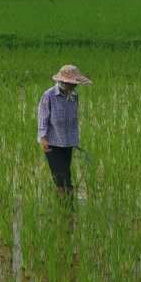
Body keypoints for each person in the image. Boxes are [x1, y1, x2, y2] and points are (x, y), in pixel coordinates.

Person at [38, 65, 91, 194]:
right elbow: (42, 117)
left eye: (75, 84)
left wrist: (74, 140)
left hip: (67, 142)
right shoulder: (49, 95)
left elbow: (73, 119)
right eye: (72, 84)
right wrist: (43, 138)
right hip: (52, 143)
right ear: (64, 82)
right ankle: (67, 207)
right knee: (61, 177)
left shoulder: (74, 95)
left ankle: (65, 206)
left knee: (65, 173)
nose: (75, 86)